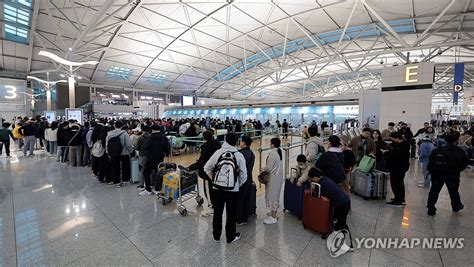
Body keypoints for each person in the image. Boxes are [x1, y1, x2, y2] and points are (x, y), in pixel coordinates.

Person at [204, 133, 247, 243]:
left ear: (225, 140)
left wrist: (214, 179)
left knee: (218, 212)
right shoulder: (238, 155)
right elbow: (244, 175)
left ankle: (216, 236)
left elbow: (207, 168)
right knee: (231, 213)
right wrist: (237, 184)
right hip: (233, 190)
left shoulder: (218, 153)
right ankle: (230, 237)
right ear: (236, 142)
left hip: (217, 188)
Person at [307, 167, 353, 250]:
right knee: (338, 223)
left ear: (315, 177)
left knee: (342, 224)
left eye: (312, 179)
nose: (312, 181)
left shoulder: (322, 184)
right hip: (345, 201)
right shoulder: (325, 178)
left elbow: (319, 195)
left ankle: (350, 245)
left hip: (341, 204)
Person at [427, 132, 469, 216]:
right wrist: (458, 169)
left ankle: (431, 208)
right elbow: (465, 163)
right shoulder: (460, 150)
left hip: (437, 173)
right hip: (452, 174)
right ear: (456, 140)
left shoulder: (437, 149)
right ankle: (456, 206)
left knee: (434, 190)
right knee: (453, 191)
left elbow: (431, 159)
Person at [188, 130, 222, 214]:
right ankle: (216, 204)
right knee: (214, 187)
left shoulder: (205, 147)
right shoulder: (217, 143)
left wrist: (191, 167)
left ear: (203, 138)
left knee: (208, 189)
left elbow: (202, 161)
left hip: (207, 171)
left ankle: (211, 206)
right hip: (217, 168)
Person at [141, 124, 171, 195]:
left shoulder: (150, 137)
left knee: (146, 173)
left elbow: (145, 147)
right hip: (160, 158)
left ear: (152, 130)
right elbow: (167, 148)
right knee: (159, 173)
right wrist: (166, 155)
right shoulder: (164, 137)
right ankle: (158, 189)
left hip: (151, 158)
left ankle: (148, 189)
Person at [385, 132, 410, 207]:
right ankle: (400, 198)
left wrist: (387, 153)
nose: (391, 140)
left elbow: (396, 156)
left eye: (392, 139)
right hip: (401, 167)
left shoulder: (401, 147)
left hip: (398, 167)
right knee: (399, 183)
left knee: (396, 183)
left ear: (397, 138)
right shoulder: (404, 144)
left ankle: (398, 201)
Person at [262, 138, 283, 225]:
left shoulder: (273, 154)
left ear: (273, 144)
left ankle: (273, 217)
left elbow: (269, 167)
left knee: (272, 195)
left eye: (270, 143)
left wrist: (262, 169)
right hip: (277, 177)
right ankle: (273, 213)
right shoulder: (278, 153)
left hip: (273, 178)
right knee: (275, 194)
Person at [106, 121, 133, 187]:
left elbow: (107, 144)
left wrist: (108, 153)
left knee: (115, 167)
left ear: (114, 126)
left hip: (113, 153)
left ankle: (116, 181)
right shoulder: (125, 134)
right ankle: (125, 180)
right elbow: (129, 145)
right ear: (122, 126)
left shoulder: (109, 134)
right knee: (125, 167)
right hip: (124, 153)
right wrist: (130, 151)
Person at [236, 135, 255, 226]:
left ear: (244, 143)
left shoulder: (240, 154)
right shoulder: (251, 153)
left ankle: (239, 220)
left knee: (239, 200)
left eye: (241, 141)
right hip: (249, 179)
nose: (240, 143)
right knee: (246, 199)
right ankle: (245, 218)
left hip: (241, 180)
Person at [134, 125, 151, 191]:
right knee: (150, 170)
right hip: (150, 155)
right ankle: (151, 183)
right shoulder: (151, 137)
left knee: (142, 170)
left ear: (142, 130)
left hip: (142, 155)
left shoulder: (140, 138)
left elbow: (137, 147)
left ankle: (142, 185)